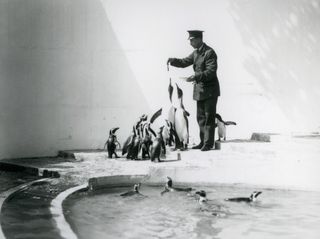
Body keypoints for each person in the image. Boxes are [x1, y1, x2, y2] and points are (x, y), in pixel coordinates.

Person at [167, 30, 220, 151]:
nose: (190, 43)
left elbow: (211, 72)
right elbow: (184, 61)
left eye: (191, 40)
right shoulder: (196, 53)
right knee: (200, 118)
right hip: (200, 91)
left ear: (199, 39)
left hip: (210, 91)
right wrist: (173, 60)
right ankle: (203, 142)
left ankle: (208, 143)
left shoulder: (210, 52)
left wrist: (196, 76)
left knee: (208, 118)